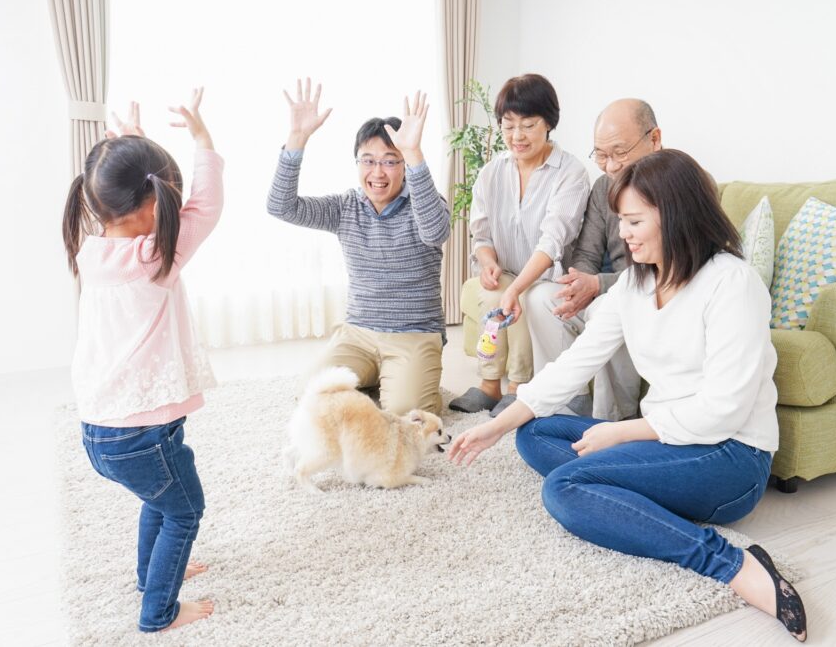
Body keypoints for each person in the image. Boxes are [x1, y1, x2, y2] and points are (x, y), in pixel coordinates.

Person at [448, 149, 807, 642]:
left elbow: (723, 409)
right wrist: (496, 425)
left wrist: (621, 432)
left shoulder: (731, 283)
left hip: (732, 455)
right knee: (533, 432)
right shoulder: (635, 284)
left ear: (675, 213)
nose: (623, 234)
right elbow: (577, 363)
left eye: (635, 220)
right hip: (666, 439)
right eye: (622, 221)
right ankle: (636, 491)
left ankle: (731, 564)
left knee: (565, 489)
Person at [62, 89, 222, 633]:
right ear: (155, 206)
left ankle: (150, 575)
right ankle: (159, 613)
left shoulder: (91, 249)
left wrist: (125, 145)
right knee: (184, 509)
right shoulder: (156, 254)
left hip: (99, 430)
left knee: (160, 495)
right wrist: (202, 141)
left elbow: (118, 190)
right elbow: (209, 207)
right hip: (142, 433)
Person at [267, 78, 450, 415]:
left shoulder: (426, 201)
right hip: (358, 336)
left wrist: (415, 155)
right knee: (314, 396)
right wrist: (297, 140)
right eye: (368, 160)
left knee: (407, 415)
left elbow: (436, 233)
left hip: (414, 334)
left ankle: (404, 379)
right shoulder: (345, 207)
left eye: (390, 161)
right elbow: (281, 206)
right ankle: (377, 376)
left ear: (405, 167)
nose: (377, 172)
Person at [449, 74, 590, 418]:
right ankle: (489, 386)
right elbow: (480, 235)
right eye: (508, 125)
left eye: (528, 125)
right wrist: (487, 262)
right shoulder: (491, 173)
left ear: (549, 124)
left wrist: (518, 285)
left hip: (549, 276)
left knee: (523, 297)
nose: (517, 136)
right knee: (497, 291)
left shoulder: (570, 172)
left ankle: (520, 388)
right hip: (507, 271)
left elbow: (553, 240)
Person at [524, 98, 661, 421]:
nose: (611, 165)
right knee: (544, 296)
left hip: (651, 295)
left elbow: (663, 273)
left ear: (654, 139)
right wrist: (577, 285)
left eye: (619, 152)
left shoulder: (677, 185)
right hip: (611, 289)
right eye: (601, 155)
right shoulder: (603, 188)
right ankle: (561, 405)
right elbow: (587, 253)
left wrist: (597, 285)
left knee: (607, 308)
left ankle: (610, 420)